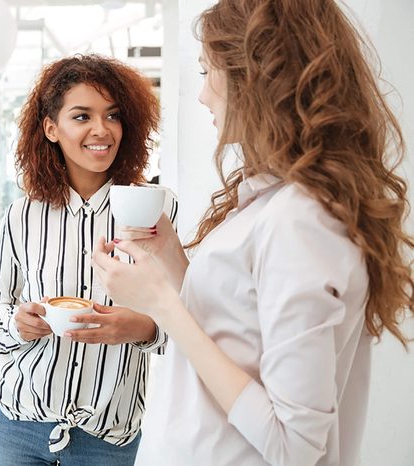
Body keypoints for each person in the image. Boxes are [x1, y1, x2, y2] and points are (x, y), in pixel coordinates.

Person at [92, 1, 414, 465]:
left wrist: (160, 302)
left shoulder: (302, 221)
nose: (203, 95)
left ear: (256, 75)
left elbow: (294, 446)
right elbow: (237, 329)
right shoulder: (274, 202)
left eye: (208, 72)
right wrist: (171, 256)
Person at [0, 54, 178, 466]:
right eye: (82, 116)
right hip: (17, 422)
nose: (101, 129)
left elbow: (187, 320)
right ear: (51, 128)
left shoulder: (157, 211)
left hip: (109, 434)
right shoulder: (22, 215)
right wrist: (19, 324)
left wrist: (140, 328)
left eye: (113, 115)